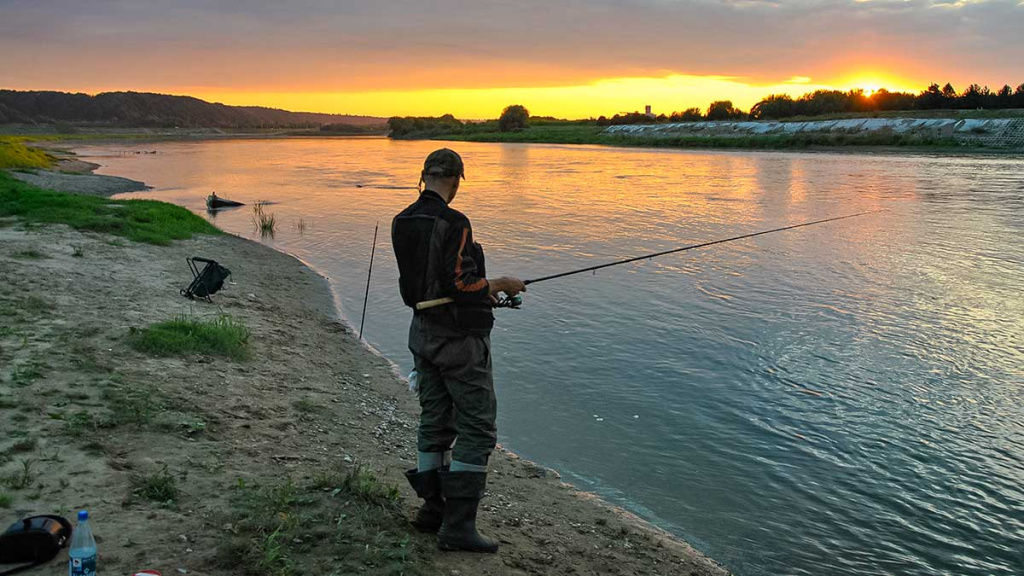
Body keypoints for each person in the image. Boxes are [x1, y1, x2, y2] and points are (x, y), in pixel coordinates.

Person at [392, 148, 525, 553]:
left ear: (424, 176)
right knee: (478, 426)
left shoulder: (402, 220)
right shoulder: (454, 221)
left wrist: (482, 294)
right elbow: (457, 284)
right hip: (457, 342)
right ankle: (458, 527)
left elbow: (424, 285)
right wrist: (499, 282)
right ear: (455, 180)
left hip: (421, 333)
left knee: (434, 419)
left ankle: (432, 511)